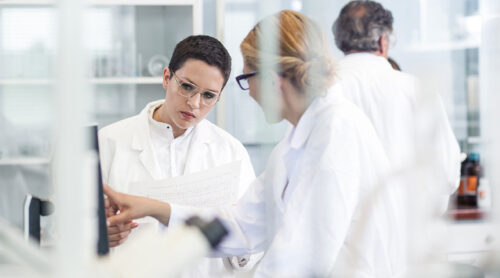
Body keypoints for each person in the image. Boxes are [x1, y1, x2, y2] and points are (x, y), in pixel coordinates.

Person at [104, 10, 404, 277]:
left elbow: (303, 258)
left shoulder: (336, 133)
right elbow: (241, 224)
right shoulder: (297, 142)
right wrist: (155, 208)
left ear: (274, 81)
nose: (248, 93)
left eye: (247, 78)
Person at [98, 35, 259, 277]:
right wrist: (100, 233)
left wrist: (237, 234)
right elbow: (64, 231)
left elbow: (252, 248)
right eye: (187, 87)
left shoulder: (231, 152)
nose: (194, 104)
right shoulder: (109, 142)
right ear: (166, 78)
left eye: (208, 96)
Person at [332, 0, 461, 211]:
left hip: (343, 234)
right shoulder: (416, 89)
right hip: (407, 231)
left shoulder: (321, 90)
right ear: (384, 41)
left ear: (341, 41)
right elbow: (445, 173)